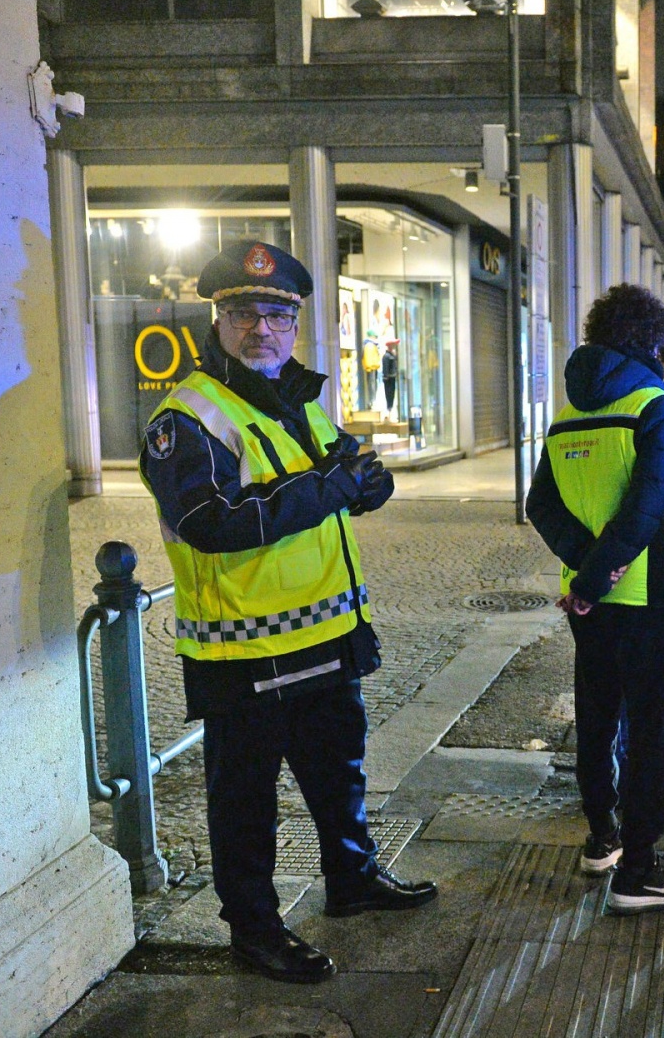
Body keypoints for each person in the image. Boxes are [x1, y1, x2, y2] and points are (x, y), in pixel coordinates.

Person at [140, 240, 435, 984]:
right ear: (217, 321)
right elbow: (213, 521)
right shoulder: (188, 417)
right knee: (245, 802)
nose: (260, 328)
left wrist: (370, 485)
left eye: (276, 313)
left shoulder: (297, 398)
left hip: (327, 634)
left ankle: (352, 879)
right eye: (242, 313)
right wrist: (332, 487)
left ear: (296, 323)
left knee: (340, 770)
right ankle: (255, 929)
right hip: (244, 653)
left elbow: (346, 474)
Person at [526, 283, 664, 914]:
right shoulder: (656, 407)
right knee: (654, 728)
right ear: (653, 345)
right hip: (642, 594)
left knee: (597, 715)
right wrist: (595, 577)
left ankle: (600, 837)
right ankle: (640, 868)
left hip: (589, 604)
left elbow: (540, 505)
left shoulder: (567, 413)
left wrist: (581, 574)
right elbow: (645, 511)